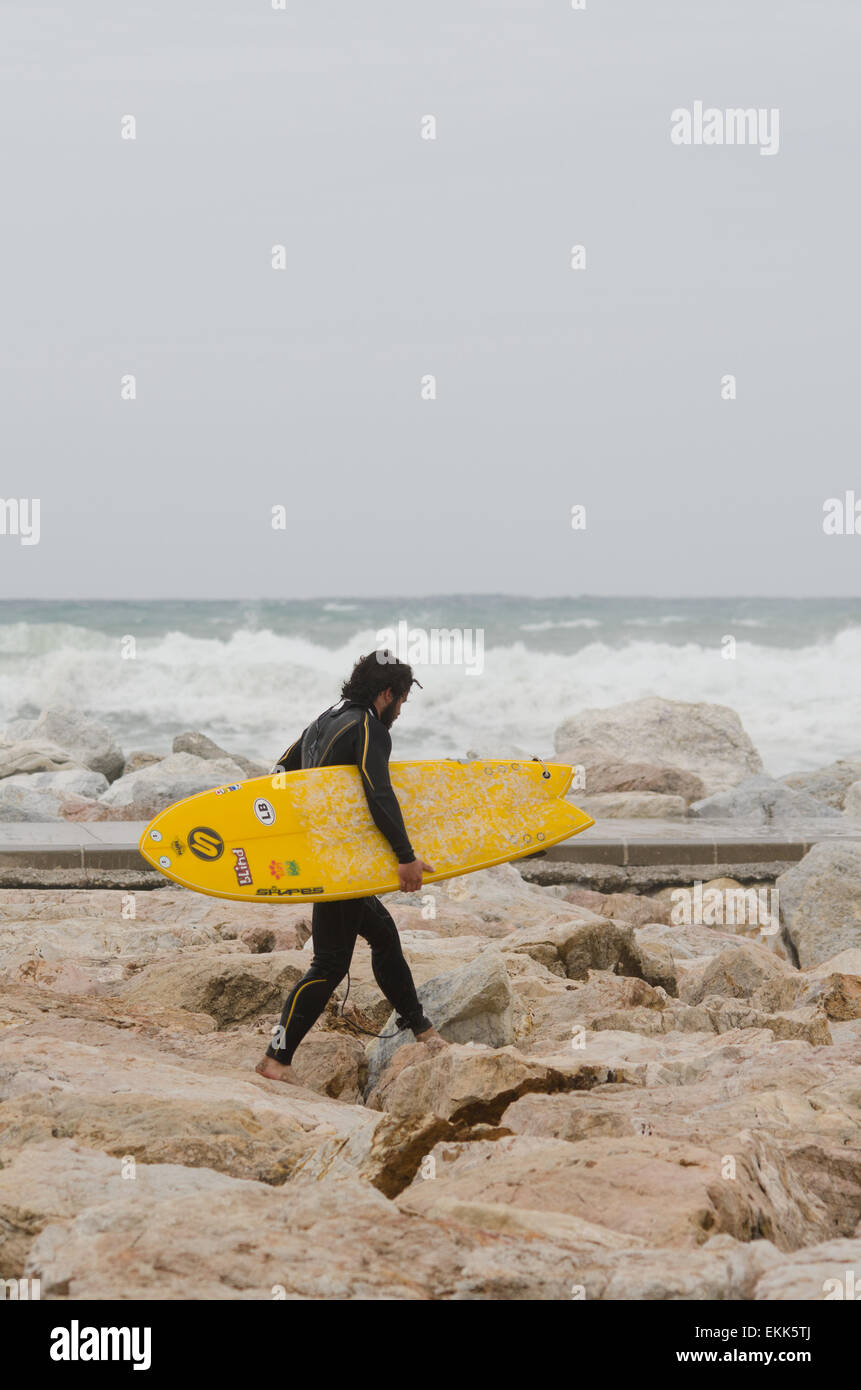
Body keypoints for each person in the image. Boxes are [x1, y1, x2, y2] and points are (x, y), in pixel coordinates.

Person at [256, 651, 446, 1085]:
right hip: (338, 863)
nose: (400, 711)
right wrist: (405, 858)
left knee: (382, 934)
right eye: (400, 701)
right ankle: (275, 1059)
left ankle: (422, 1030)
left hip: (326, 854)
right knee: (329, 965)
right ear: (386, 695)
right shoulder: (368, 729)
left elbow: (282, 770)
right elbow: (379, 793)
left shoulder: (328, 717)